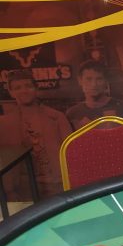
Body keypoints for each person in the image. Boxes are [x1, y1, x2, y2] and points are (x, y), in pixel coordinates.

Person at [0, 69, 72, 198]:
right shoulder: (5, 124)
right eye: (17, 88)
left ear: (36, 88)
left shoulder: (56, 117)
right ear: (10, 92)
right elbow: (4, 161)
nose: (24, 91)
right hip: (23, 189)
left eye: (28, 86)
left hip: (56, 186)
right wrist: (9, 191)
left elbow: (71, 152)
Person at [65, 59, 123, 131]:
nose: (94, 84)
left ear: (106, 81)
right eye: (89, 79)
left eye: (99, 79)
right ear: (80, 80)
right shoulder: (73, 114)